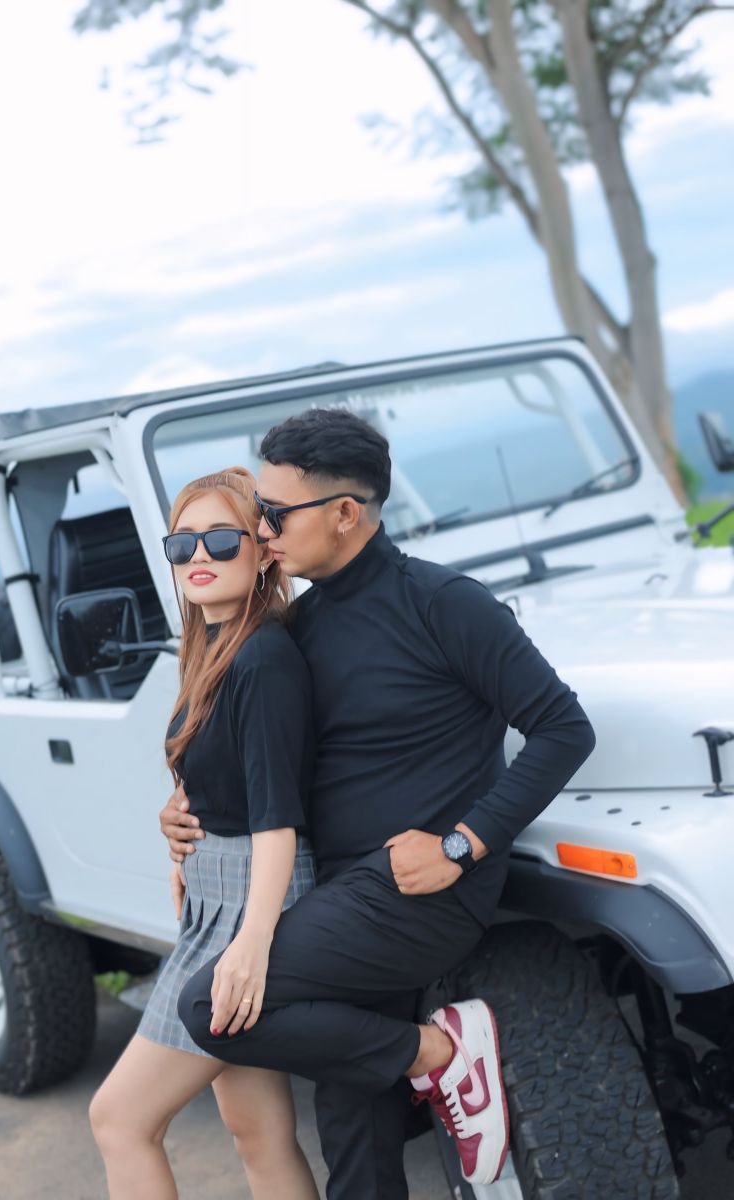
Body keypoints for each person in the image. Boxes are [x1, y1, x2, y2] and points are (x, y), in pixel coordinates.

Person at [162, 408, 597, 1199]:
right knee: (353, 1137)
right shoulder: (300, 623)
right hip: (336, 893)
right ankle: (419, 1059)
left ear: (344, 513)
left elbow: (564, 729)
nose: (260, 530)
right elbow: (268, 752)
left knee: (210, 1008)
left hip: (421, 894)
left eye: (274, 513)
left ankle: (443, 1054)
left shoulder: (445, 604)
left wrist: (462, 844)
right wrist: (186, 809)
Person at [89, 468, 319, 1200]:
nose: (198, 555)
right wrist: (184, 822)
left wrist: (252, 943)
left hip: (252, 903)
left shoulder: (262, 657)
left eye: (221, 539)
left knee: (119, 1119)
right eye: (181, 542)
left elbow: (277, 820)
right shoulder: (217, 646)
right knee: (256, 1129)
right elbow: (226, 772)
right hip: (218, 897)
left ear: (263, 550)